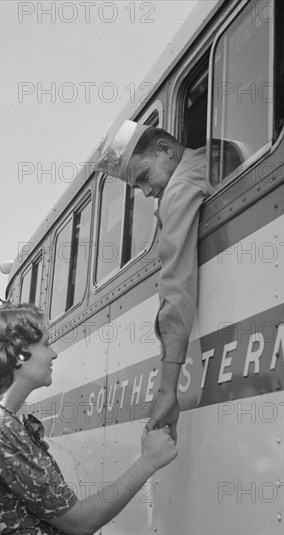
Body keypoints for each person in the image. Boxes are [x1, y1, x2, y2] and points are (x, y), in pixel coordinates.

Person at [0, 302, 177, 535]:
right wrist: (148, 462)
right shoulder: (0, 428)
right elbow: (81, 522)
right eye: (46, 344)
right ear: (19, 354)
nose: (54, 353)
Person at [94, 120, 210, 440]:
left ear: (164, 149)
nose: (146, 192)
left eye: (144, 177)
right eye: (138, 187)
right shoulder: (217, 153)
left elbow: (176, 287)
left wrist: (167, 391)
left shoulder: (179, 188)